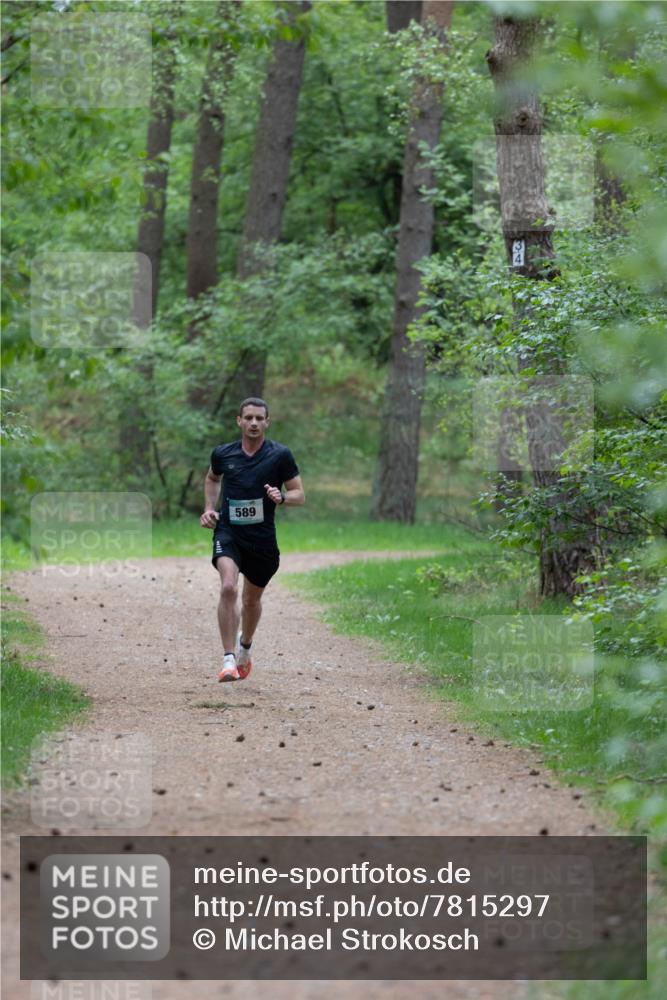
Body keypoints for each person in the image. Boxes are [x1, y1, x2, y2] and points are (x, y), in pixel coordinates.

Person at [200, 397, 305, 682]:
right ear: (239, 421)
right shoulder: (223, 454)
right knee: (228, 588)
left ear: (267, 422)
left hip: (262, 539)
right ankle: (228, 660)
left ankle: (245, 647)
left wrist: (281, 497)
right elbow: (212, 478)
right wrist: (209, 508)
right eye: (248, 418)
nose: (254, 423)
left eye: (259, 418)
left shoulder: (280, 455)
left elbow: (299, 494)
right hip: (229, 532)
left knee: (250, 600)